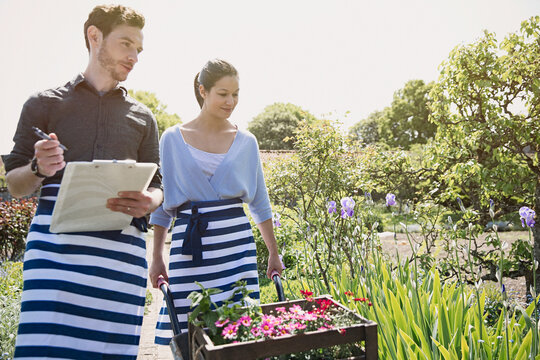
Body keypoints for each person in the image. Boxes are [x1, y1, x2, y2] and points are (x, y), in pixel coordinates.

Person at [3, 5, 163, 359]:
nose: (134, 56)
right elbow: (14, 184)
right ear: (94, 36)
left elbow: (159, 186)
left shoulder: (143, 117)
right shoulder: (43, 103)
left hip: (120, 264)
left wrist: (149, 201)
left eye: (139, 49)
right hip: (55, 259)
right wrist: (38, 167)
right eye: (126, 44)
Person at [149, 58, 283, 345]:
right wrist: (157, 256)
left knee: (240, 334)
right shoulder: (172, 139)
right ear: (202, 91)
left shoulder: (247, 142)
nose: (231, 101)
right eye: (223, 94)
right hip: (190, 253)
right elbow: (163, 207)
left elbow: (259, 201)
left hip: (236, 251)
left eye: (235, 94)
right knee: (190, 334)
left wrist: (273, 252)